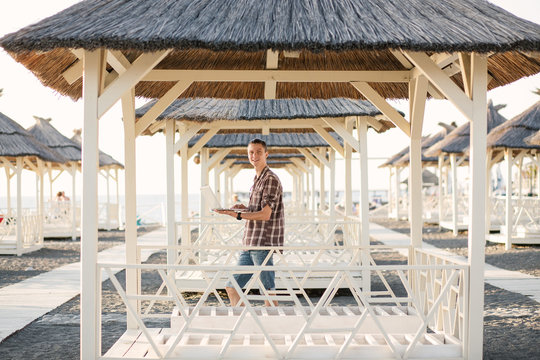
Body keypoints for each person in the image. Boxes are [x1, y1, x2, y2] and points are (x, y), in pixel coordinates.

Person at [215, 138, 284, 306]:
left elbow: (265, 215)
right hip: (250, 242)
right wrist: (242, 209)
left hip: (262, 243)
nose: (254, 156)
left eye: (259, 152)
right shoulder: (257, 179)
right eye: (251, 152)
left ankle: (272, 329)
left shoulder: (270, 179)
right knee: (232, 287)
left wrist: (238, 216)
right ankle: (248, 323)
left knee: (268, 293)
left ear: (266, 154)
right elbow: (257, 210)